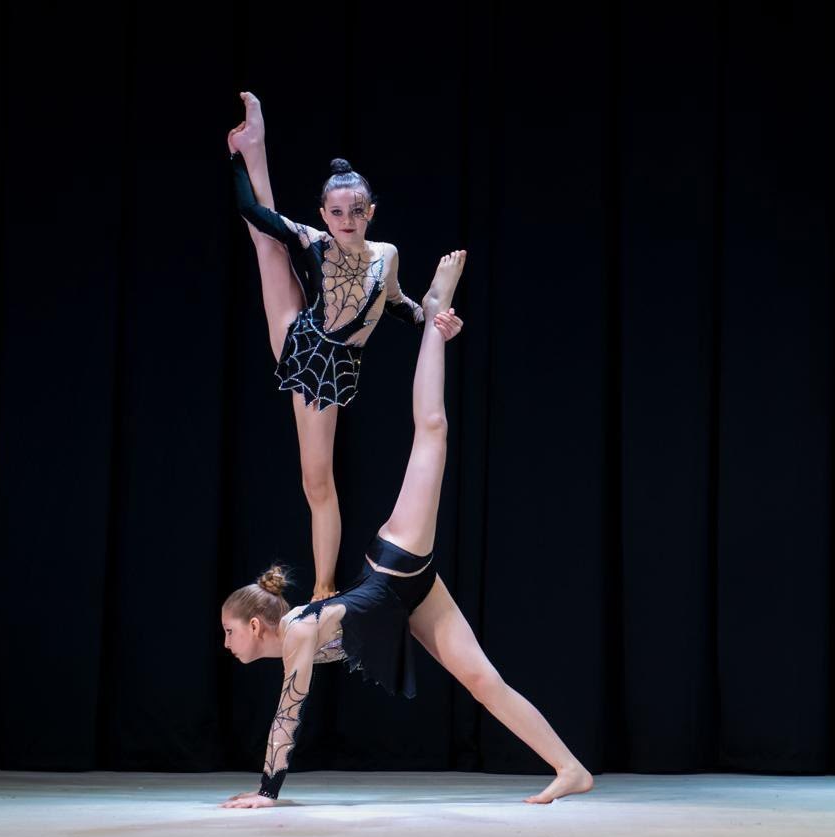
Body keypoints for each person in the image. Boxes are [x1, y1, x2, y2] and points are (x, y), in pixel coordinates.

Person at [220, 252, 593, 807]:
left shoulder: (296, 630)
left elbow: (288, 712)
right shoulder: (296, 634)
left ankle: (435, 311)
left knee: (431, 431)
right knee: (483, 683)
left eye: (229, 632)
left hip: (395, 561)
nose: (225, 642)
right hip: (407, 598)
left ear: (255, 626)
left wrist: (267, 792)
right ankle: (571, 769)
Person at [227, 91, 451, 602]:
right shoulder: (316, 241)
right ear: (324, 214)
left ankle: (324, 585)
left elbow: (395, 303)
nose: (346, 219)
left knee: (317, 483)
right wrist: (234, 160)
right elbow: (250, 210)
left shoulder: (386, 254)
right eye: (336, 212)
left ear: (370, 211)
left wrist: (433, 320)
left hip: (331, 363)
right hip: (302, 340)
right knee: (265, 242)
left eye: (356, 211)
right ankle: (252, 143)